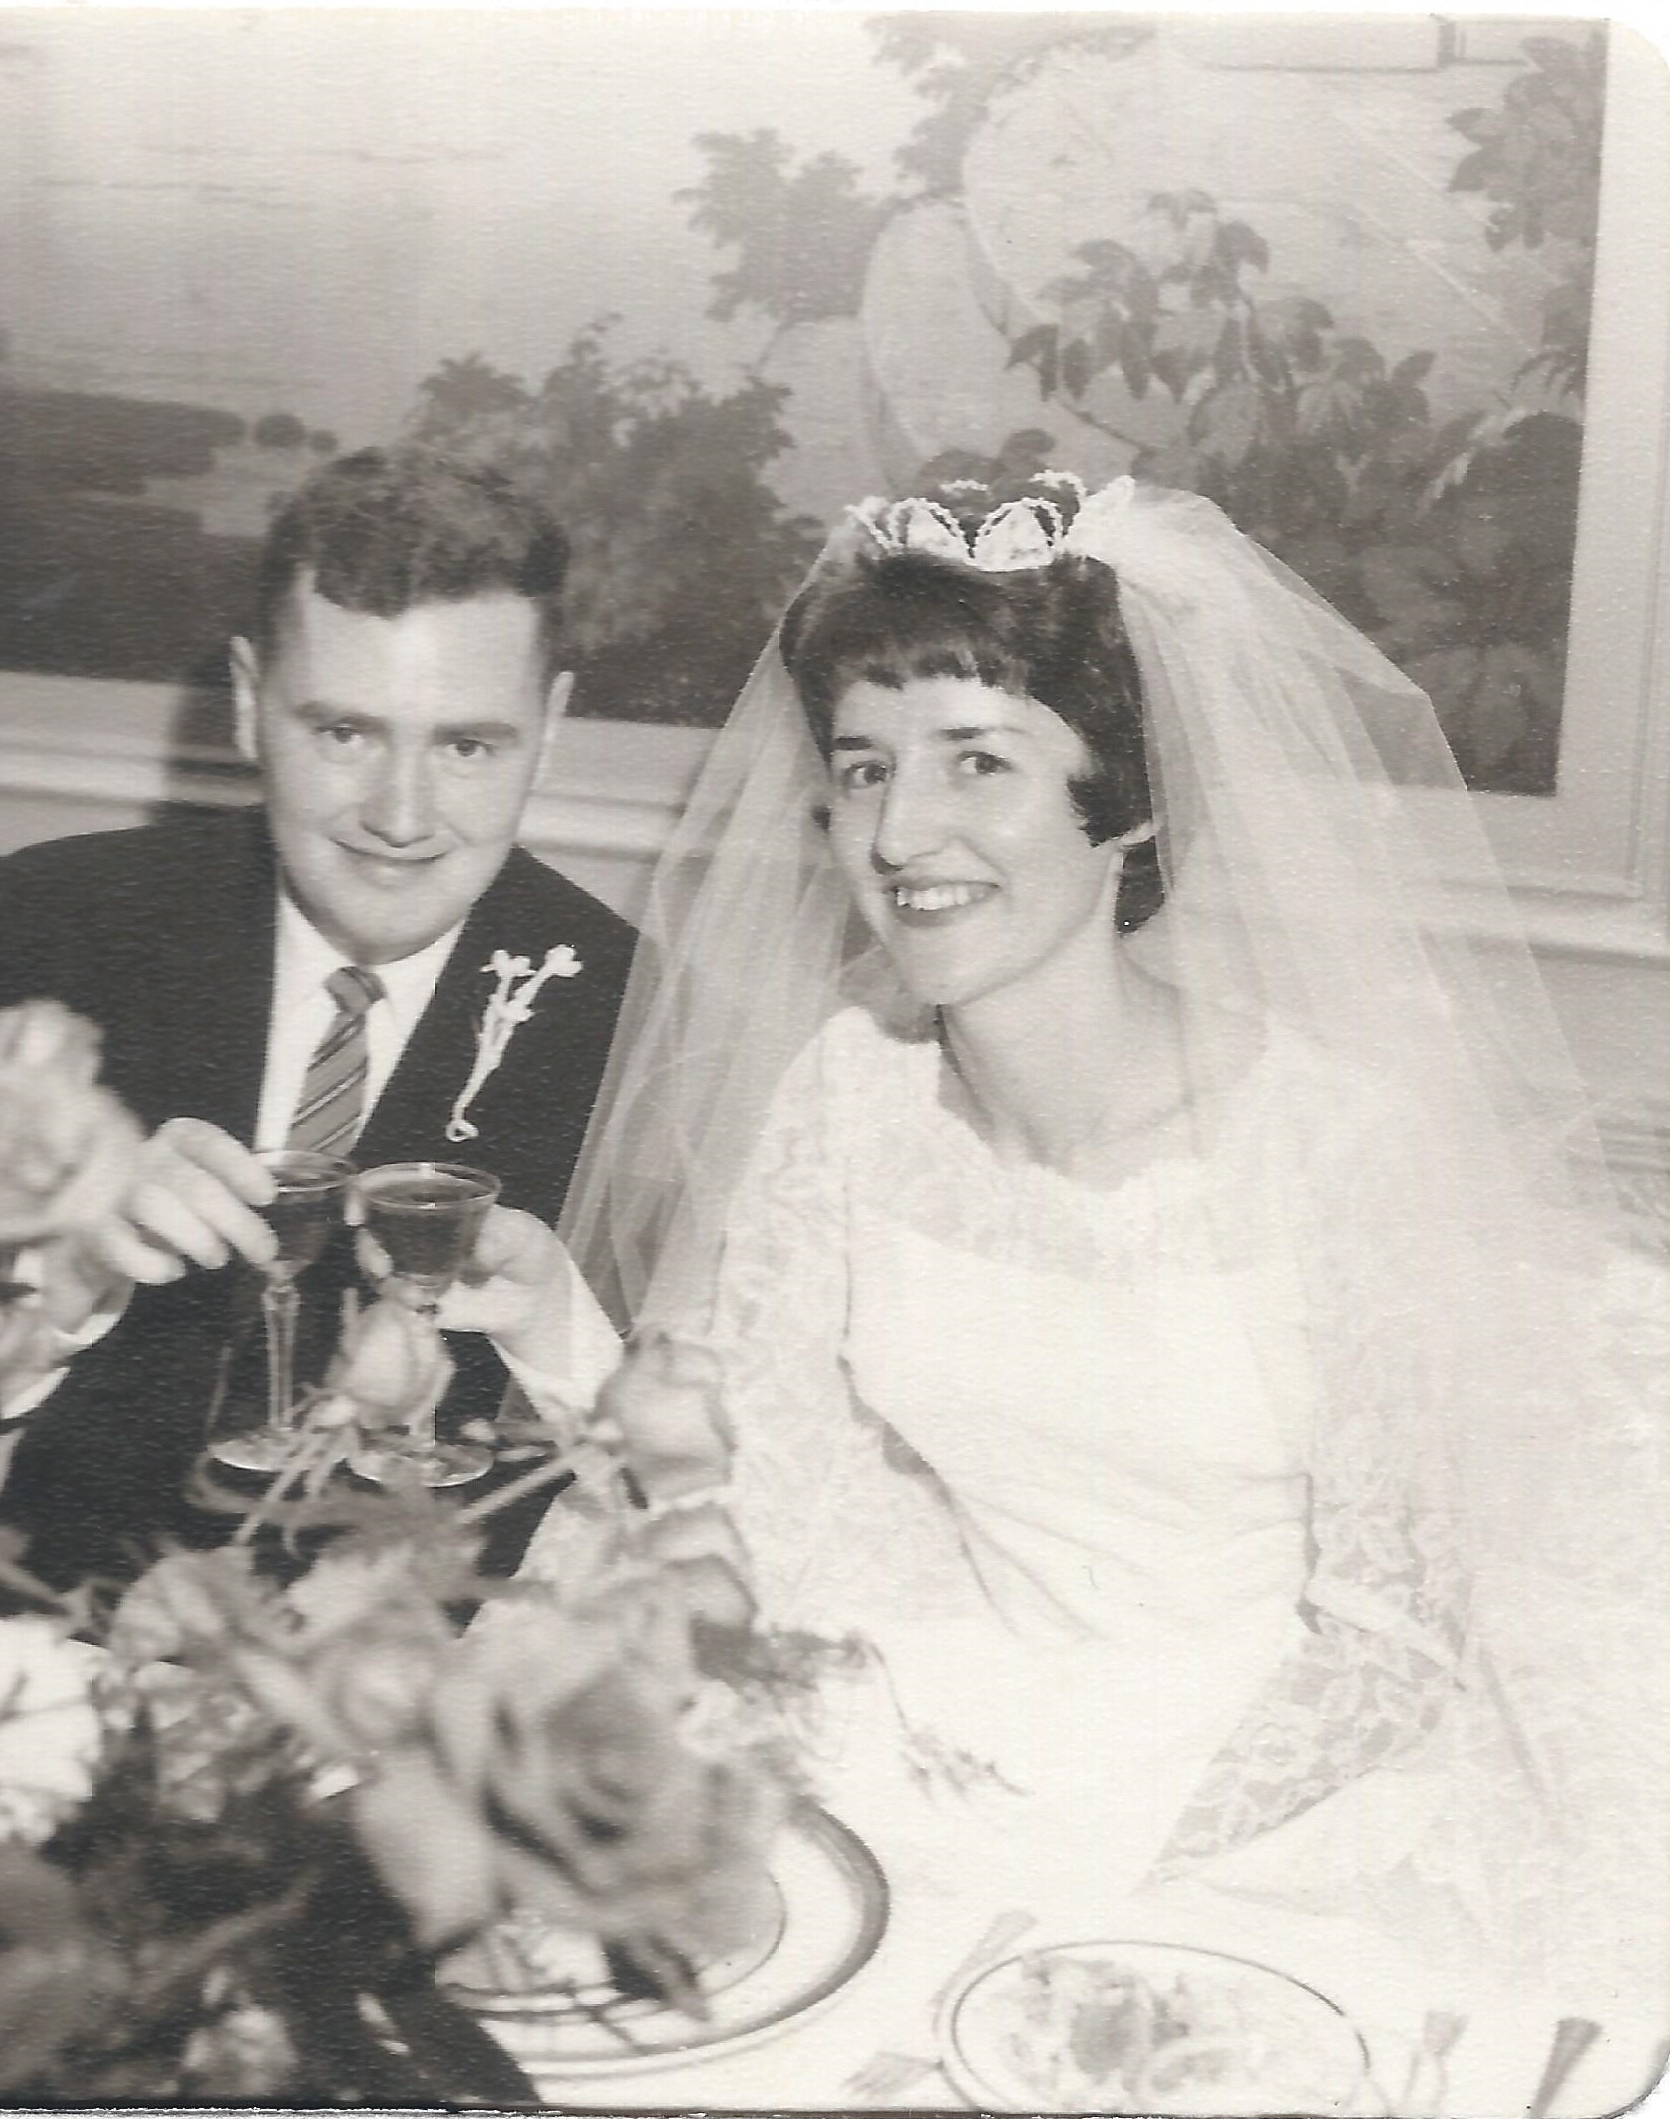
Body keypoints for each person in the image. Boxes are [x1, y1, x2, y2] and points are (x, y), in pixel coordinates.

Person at [445, 474, 1666, 2009]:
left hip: (1274, 1797)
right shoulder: (845, 1089)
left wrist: (1079, 1862)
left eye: (979, 763)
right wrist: (556, 1325)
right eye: (864, 767)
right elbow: (742, 1497)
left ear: (1129, 801)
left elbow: (1384, 1655)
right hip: (963, 1722)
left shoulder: (1334, 1143)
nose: (903, 832)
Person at [0, 447, 636, 1591]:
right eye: (344, 733)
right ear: (248, 704)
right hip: (33, 1639)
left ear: (554, 725)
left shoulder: (638, 1015)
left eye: (468, 745)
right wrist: (64, 1266)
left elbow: (669, 1483)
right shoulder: (58, 923)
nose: (400, 816)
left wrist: (556, 1333)